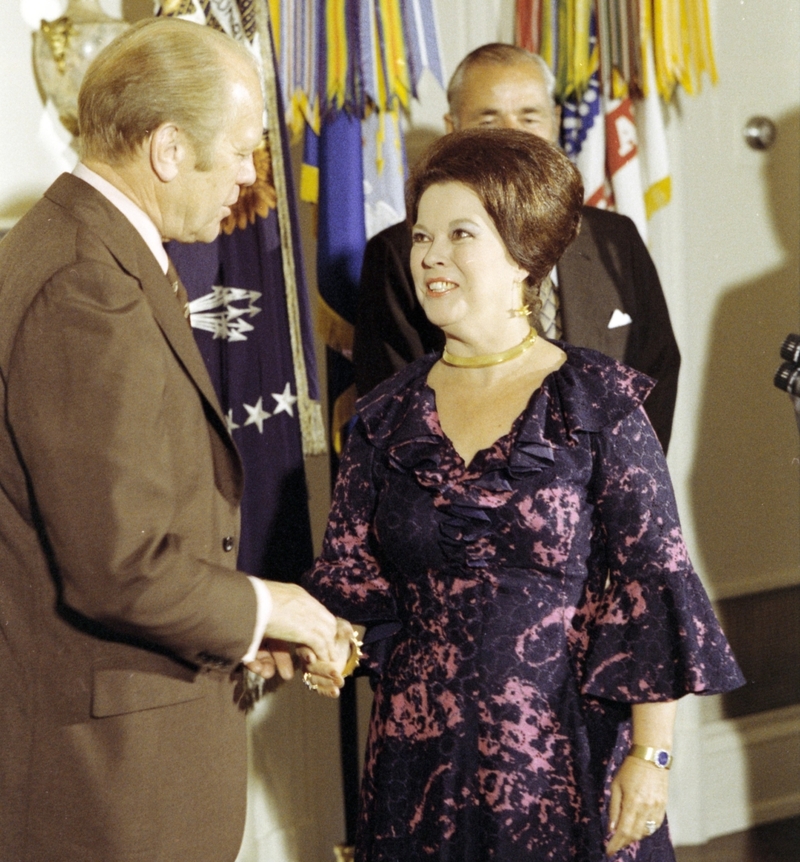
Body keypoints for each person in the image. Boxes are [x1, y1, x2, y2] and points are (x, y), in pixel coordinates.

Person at [301, 129, 744, 862]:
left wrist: (652, 756)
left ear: (522, 257)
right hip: (417, 772)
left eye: (459, 234)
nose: (430, 255)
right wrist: (329, 644)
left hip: (568, 762)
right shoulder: (384, 417)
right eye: (421, 235)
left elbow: (648, 582)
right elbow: (351, 583)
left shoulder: (596, 400)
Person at [0, 18, 346, 862]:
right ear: (166, 149)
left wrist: (242, 629)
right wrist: (276, 604)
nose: (249, 174)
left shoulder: (89, 250)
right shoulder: (87, 285)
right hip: (110, 785)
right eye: (238, 149)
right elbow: (118, 565)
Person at [353, 43, 681, 453]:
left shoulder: (614, 237)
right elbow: (394, 408)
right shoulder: (402, 254)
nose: (512, 136)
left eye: (529, 116)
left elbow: (657, 369)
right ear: (452, 126)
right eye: (488, 119)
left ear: (555, 121)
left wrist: (619, 485)